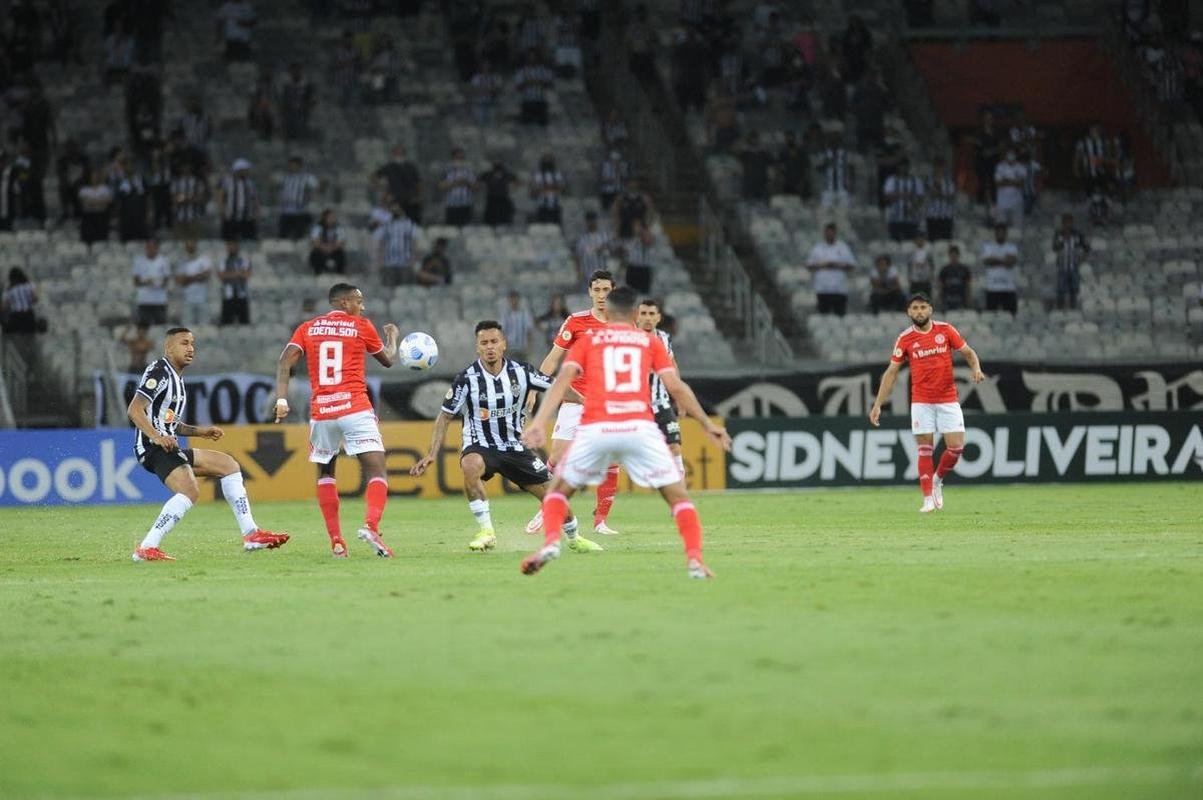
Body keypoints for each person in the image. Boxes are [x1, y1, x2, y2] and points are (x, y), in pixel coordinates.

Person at [519, 286, 732, 578]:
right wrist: (709, 425)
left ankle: (553, 541)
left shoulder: (589, 340)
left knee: (557, 491)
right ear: (634, 314)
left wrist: (538, 422)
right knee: (678, 496)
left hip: (596, 427)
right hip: (639, 427)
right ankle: (695, 560)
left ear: (607, 312)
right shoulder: (649, 342)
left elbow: (559, 383)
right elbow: (677, 388)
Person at [409, 321, 580, 551]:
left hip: (514, 447)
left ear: (503, 345)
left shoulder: (522, 372)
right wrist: (431, 453)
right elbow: (445, 416)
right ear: (477, 347)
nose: (489, 347)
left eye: (494, 342)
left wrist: (590, 404)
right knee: (470, 465)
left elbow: (559, 387)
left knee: (553, 495)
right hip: (480, 444)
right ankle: (486, 531)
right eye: (484, 343)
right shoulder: (466, 378)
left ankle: (575, 538)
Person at [128, 327, 288, 561]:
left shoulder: (177, 379)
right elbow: (134, 410)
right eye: (184, 343)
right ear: (168, 348)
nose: (191, 348)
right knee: (190, 491)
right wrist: (156, 436)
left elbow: (172, 423)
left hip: (167, 445)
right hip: (153, 447)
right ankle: (147, 547)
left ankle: (251, 534)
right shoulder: (159, 372)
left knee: (228, 465)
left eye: (192, 343)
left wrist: (201, 432)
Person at [274, 283, 401, 558]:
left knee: (326, 473)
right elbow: (389, 360)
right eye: (359, 300)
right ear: (344, 302)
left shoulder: (307, 328)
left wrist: (282, 400)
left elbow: (285, 361)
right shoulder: (361, 325)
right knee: (377, 471)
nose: (362, 306)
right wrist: (392, 337)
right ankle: (371, 526)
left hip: (322, 413)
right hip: (354, 407)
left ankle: (337, 541)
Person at [868, 293, 985, 514]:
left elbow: (969, 354)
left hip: (948, 399)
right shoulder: (905, 339)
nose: (919, 311)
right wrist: (878, 404)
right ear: (908, 312)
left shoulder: (946, 330)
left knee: (956, 448)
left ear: (930, 309)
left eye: (923, 307)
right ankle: (927, 499)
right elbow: (891, 373)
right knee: (924, 450)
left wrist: (976, 369)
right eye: (915, 308)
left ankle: (937, 480)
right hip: (921, 401)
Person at [523, 270, 617, 542]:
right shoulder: (576, 322)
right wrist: (533, 386)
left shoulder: (623, 324)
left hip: (607, 402)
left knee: (610, 458)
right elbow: (552, 360)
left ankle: (600, 521)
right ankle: (546, 506)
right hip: (575, 398)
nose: (602, 295)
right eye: (597, 290)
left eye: (606, 290)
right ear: (590, 291)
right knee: (556, 457)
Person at [636, 298, 685, 478]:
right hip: (635, 407)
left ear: (658, 317)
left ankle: (680, 501)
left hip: (661, 403)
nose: (647, 318)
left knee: (674, 447)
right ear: (637, 316)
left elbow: (672, 366)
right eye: (643, 313)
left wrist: (679, 398)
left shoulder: (664, 338)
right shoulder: (628, 339)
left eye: (651, 314)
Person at [806, 223, 856, 316]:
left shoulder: (843, 247)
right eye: (827, 233)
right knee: (823, 316)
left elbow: (851, 265)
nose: (829, 235)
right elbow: (809, 266)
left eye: (831, 233)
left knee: (840, 316)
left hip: (839, 289)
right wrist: (823, 265)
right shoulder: (817, 248)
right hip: (822, 289)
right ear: (824, 234)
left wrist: (837, 265)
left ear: (835, 233)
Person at [1052, 213, 1089, 310]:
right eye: (1065, 222)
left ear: (1072, 222)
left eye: (1069, 222)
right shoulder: (1058, 234)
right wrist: (1063, 240)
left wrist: (1083, 257)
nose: (1067, 224)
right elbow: (1054, 248)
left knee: (1074, 288)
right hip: (1062, 266)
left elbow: (1086, 247)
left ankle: (1073, 307)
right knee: (1061, 289)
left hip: (1074, 266)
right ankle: (1060, 308)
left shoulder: (1078, 234)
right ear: (1062, 223)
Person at [980, 224, 1018, 315]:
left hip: (1008, 287)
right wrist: (1004, 260)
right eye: (999, 232)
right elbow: (988, 261)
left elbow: (1011, 262)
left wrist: (995, 260)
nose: (1000, 234)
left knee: (1011, 315)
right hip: (993, 287)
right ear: (995, 234)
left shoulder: (1012, 247)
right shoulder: (988, 247)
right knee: (991, 315)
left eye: (1002, 233)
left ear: (1006, 234)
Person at [133, 238, 171, 326]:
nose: (151, 249)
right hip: (144, 300)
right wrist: (147, 282)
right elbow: (136, 282)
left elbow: (166, 282)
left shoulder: (164, 261)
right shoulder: (139, 261)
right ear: (146, 248)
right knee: (143, 327)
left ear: (157, 248)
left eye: (153, 247)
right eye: (148, 247)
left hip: (160, 301)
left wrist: (156, 283)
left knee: (161, 327)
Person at [175, 239, 211, 326]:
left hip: (202, 299)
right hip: (187, 299)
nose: (190, 246)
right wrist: (197, 276)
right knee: (187, 328)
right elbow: (180, 281)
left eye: (192, 244)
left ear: (196, 245)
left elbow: (205, 276)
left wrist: (188, 278)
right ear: (186, 247)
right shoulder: (181, 262)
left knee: (204, 327)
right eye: (188, 244)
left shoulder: (204, 260)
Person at [218, 239, 252, 325]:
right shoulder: (223, 261)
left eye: (233, 246)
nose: (231, 248)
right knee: (226, 322)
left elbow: (246, 275)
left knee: (244, 321)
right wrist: (238, 273)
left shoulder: (244, 261)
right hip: (228, 294)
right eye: (230, 246)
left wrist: (229, 274)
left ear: (237, 247)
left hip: (241, 294)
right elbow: (222, 276)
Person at [499, 290, 536, 362]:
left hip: (522, 347)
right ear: (509, 301)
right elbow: (502, 332)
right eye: (511, 299)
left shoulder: (524, 314)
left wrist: (529, 346)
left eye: (515, 299)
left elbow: (529, 330)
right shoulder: (505, 314)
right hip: (510, 347)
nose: (513, 302)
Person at [308, 209, 346, 275]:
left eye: (333, 217)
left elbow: (341, 242)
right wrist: (324, 247)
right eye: (330, 217)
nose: (332, 219)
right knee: (315, 254)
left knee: (341, 254)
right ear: (324, 218)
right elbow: (314, 241)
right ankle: (317, 273)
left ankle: (340, 273)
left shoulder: (338, 227)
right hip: (321, 249)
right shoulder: (317, 227)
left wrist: (331, 248)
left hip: (334, 249)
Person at [1, 267, 39, 334]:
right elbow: (35, 299)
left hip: (15, 317)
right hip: (28, 315)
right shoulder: (30, 285)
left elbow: (3, 307)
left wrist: (12, 302)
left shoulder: (8, 290)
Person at [937, 245, 972, 311]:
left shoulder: (965, 269)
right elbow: (941, 286)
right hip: (948, 298)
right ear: (949, 256)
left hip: (961, 298)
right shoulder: (944, 270)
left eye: (955, 256)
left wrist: (968, 299)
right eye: (952, 256)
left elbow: (968, 286)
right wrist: (940, 300)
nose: (953, 258)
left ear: (958, 256)